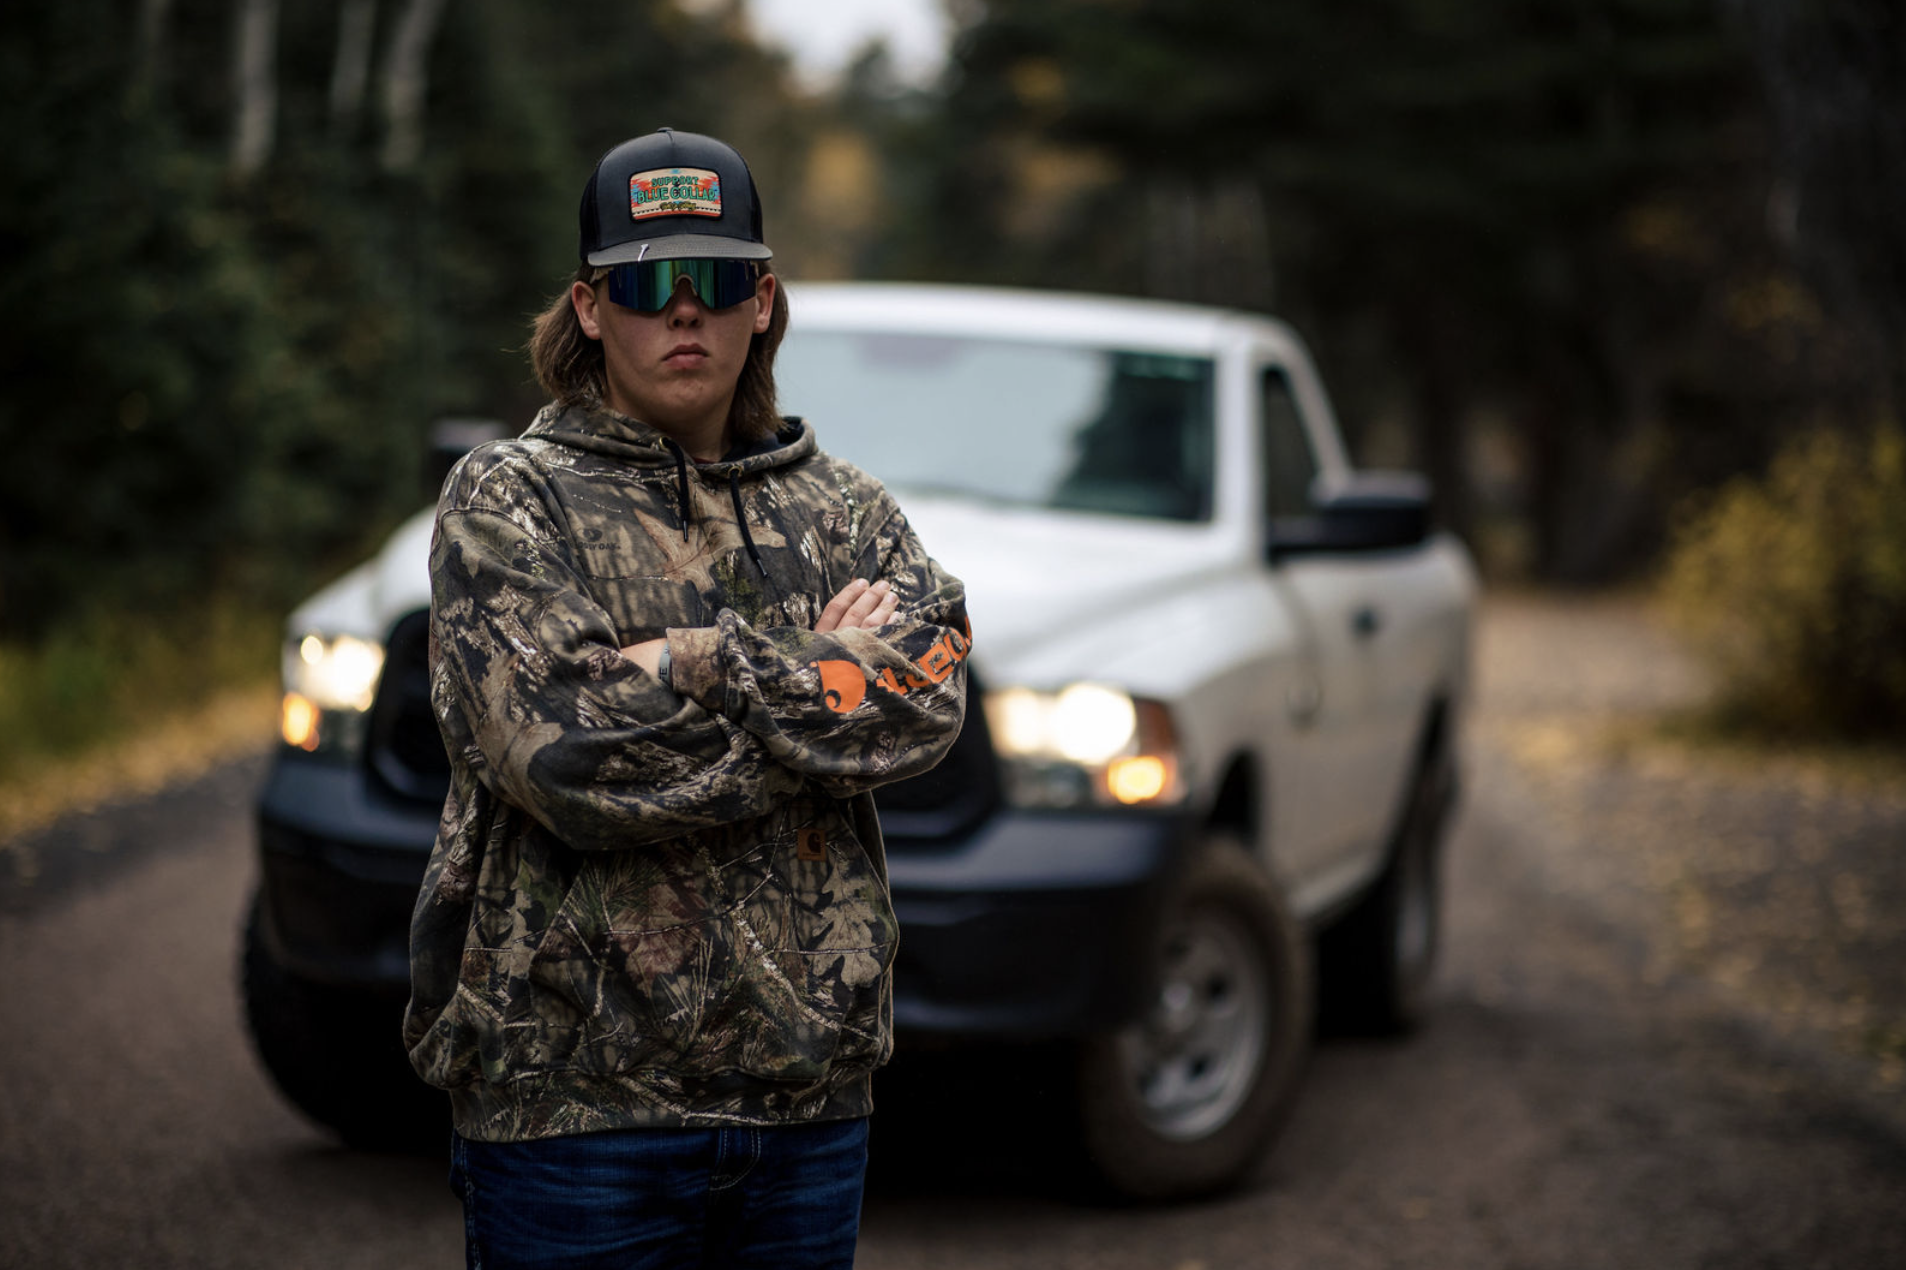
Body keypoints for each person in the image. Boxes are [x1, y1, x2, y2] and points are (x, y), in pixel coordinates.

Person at [403, 127, 970, 1269]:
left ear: (760, 302)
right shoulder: (510, 502)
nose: (681, 312)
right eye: (647, 283)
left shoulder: (842, 510)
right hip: (574, 1116)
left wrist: (676, 661)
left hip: (808, 1107)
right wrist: (812, 680)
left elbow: (928, 698)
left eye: (711, 281)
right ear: (589, 305)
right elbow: (564, 759)